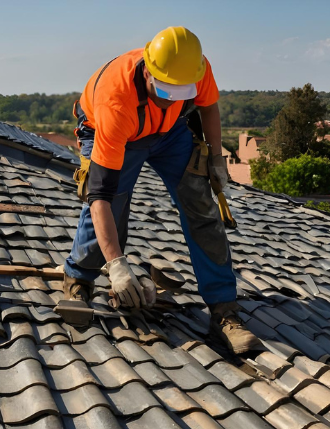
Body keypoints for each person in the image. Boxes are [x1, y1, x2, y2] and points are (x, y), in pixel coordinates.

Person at [63, 26, 260, 354]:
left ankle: (224, 310)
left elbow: (208, 106)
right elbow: (100, 196)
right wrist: (117, 266)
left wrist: (215, 157)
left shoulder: (195, 67)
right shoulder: (117, 101)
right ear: (148, 71)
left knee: (202, 206)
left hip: (169, 133)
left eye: (181, 94)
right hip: (119, 132)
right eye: (166, 91)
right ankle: (78, 279)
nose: (173, 98)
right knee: (113, 206)